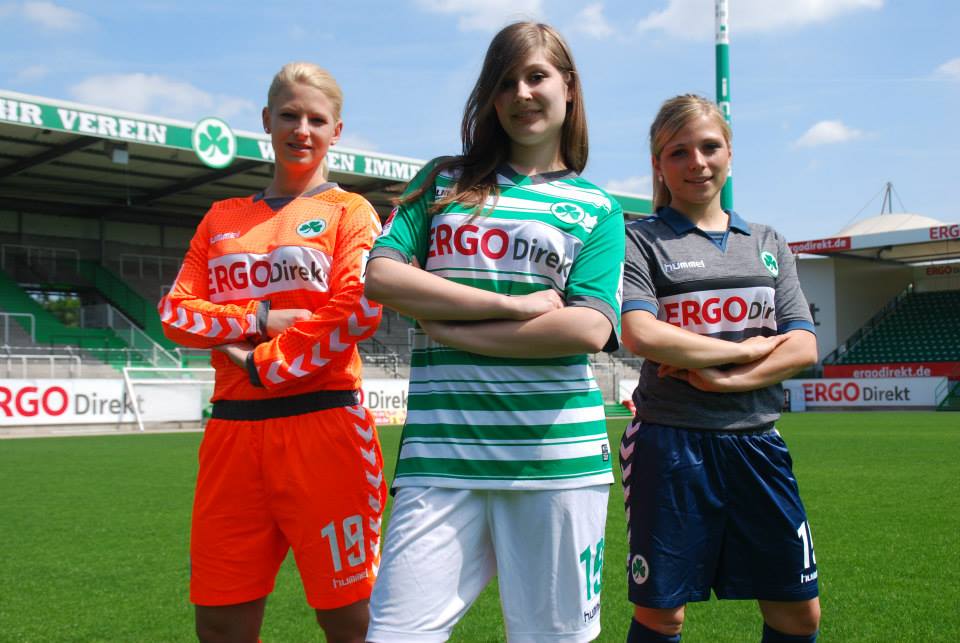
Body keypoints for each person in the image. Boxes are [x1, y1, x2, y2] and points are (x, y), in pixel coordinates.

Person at [363, 21, 625, 643]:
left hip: (556, 462)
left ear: (569, 87)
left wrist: (458, 332)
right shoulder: (442, 181)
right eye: (505, 82)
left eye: (536, 77)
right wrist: (510, 307)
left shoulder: (598, 207)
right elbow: (382, 277)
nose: (522, 94)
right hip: (440, 458)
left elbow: (588, 326)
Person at [158, 62, 386, 643]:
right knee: (219, 622)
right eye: (289, 115)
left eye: (317, 119)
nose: (301, 130)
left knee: (351, 619)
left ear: (337, 130)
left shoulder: (351, 211)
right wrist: (258, 318)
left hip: (326, 430)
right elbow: (176, 312)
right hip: (232, 437)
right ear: (266, 120)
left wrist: (262, 361)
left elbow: (357, 308)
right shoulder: (222, 217)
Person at [619, 94, 821, 643]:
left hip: (758, 443)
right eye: (678, 152)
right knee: (662, 614)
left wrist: (727, 378)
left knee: (798, 613)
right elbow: (641, 333)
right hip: (670, 444)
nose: (697, 163)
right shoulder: (639, 240)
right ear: (658, 164)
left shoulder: (768, 242)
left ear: (730, 153)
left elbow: (803, 345)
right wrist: (747, 349)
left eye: (710, 147)